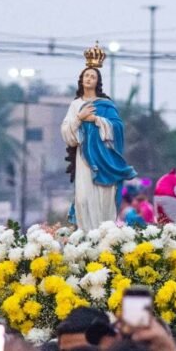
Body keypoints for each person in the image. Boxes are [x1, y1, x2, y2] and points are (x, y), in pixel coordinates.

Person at [61, 44, 137, 232]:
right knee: (83, 198)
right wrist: (79, 118)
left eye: (92, 76)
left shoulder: (106, 105)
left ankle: (102, 235)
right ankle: (86, 236)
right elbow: (66, 134)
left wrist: (95, 119)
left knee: (103, 199)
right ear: (81, 79)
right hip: (84, 158)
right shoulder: (76, 105)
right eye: (86, 75)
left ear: (97, 81)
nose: (89, 78)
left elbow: (118, 128)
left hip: (104, 160)